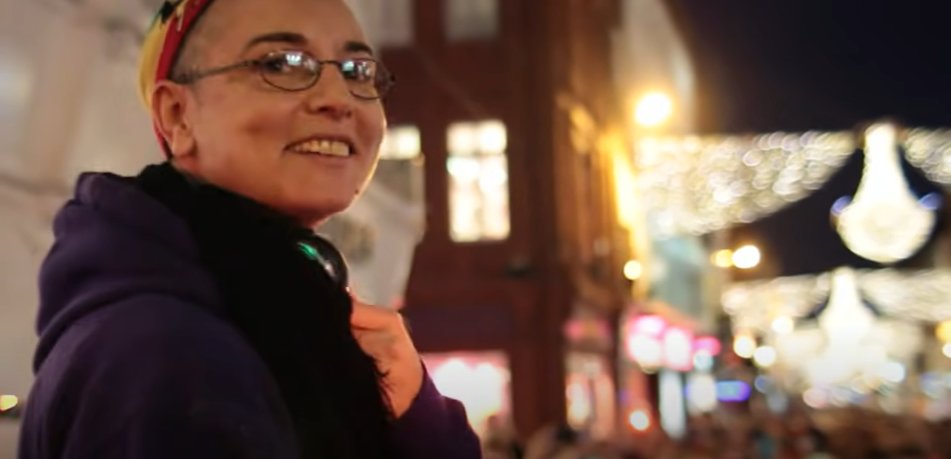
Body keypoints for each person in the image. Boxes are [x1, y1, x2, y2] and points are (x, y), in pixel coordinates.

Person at [17, 0, 482, 457]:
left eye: (358, 71)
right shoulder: (168, 352)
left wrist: (418, 419)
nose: (338, 99)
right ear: (177, 115)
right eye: (281, 64)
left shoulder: (281, 321)